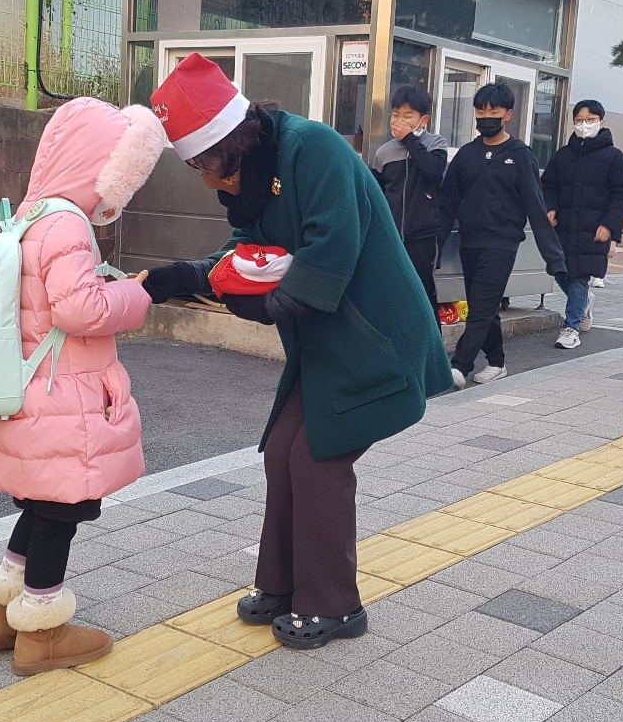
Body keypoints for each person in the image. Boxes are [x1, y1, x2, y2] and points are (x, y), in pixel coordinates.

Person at [139, 54, 451, 650]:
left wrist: (266, 306)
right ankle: (283, 586)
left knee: (318, 459)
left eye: (205, 164)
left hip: (375, 335)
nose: (205, 179)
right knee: (282, 449)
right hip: (328, 343)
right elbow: (242, 256)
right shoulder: (256, 170)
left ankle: (336, 606)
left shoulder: (314, 148)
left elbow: (331, 251)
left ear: (232, 142)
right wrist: (177, 278)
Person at [0, 97, 167, 675]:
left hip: (30, 387)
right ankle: (43, 633)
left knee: (40, 502)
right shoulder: (68, 224)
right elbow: (79, 309)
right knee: (61, 509)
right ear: (100, 166)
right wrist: (134, 295)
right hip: (65, 393)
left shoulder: (30, 215)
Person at [440, 82, 566, 385]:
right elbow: (447, 203)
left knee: (481, 308)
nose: (486, 117)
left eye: (493, 111)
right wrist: (434, 245)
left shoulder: (520, 156)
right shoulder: (467, 155)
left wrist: (555, 259)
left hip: (502, 244)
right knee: (483, 306)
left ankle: (459, 367)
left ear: (508, 114)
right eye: (480, 111)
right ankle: (497, 362)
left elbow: (536, 207)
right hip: (470, 243)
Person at [540, 99, 623, 349]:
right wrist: (550, 208)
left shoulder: (613, 157)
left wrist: (609, 225)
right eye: (579, 120)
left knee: (579, 277)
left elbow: (622, 194)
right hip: (563, 227)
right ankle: (584, 301)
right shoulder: (563, 155)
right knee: (560, 272)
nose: (584, 125)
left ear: (602, 122)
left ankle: (571, 327)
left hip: (594, 230)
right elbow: (548, 185)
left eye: (590, 120)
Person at [370, 85, 448, 321]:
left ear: (423, 120)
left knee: (423, 291)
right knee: (391, 292)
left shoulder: (436, 144)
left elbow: (433, 171)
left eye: (407, 116)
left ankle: (431, 340)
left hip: (422, 234)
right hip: (391, 235)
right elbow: (375, 194)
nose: (399, 121)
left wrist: (410, 141)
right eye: (395, 115)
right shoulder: (384, 152)